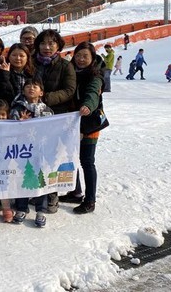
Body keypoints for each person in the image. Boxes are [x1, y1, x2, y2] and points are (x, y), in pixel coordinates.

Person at [33, 29, 76, 213]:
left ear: (58, 45)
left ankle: (52, 195)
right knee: (34, 156)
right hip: (33, 117)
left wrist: (45, 98)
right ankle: (34, 192)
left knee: (53, 157)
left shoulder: (65, 66)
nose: (47, 47)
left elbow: (69, 90)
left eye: (51, 43)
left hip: (56, 117)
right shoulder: (32, 62)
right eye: (43, 43)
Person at [10, 77, 54, 228]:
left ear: (41, 92)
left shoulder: (47, 111)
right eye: (28, 86)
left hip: (41, 151)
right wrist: (19, 124)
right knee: (23, 178)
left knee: (41, 179)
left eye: (35, 86)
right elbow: (9, 130)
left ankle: (41, 210)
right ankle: (21, 208)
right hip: (22, 151)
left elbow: (52, 131)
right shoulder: (17, 109)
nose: (31, 88)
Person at [67, 41, 106, 214]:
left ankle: (90, 200)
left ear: (92, 58)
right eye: (78, 55)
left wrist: (88, 106)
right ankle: (75, 192)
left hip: (89, 123)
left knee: (87, 161)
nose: (81, 59)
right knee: (71, 158)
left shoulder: (95, 76)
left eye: (85, 56)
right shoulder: (71, 72)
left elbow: (92, 94)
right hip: (72, 123)